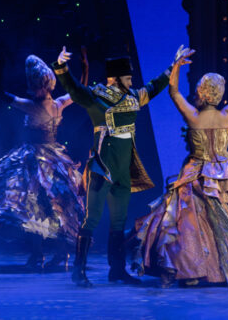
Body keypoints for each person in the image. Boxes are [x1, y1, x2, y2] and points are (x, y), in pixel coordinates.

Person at [133, 48, 228, 287]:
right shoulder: (227, 115)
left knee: (192, 222)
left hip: (197, 172)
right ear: (218, 95)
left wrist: (176, 66)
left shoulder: (194, 117)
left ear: (201, 92)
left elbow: (174, 91)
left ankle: (195, 270)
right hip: (225, 174)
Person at [53, 45, 178, 287]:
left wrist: (173, 66)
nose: (132, 82)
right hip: (102, 168)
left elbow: (154, 87)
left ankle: (117, 270)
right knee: (92, 218)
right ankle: (78, 271)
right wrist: (61, 67)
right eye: (128, 78)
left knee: (120, 221)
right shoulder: (96, 96)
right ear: (115, 78)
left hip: (123, 170)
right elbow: (74, 88)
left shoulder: (133, 98)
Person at [0, 54, 86, 269]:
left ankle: (41, 254)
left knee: (36, 208)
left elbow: (2, 95)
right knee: (49, 208)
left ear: (39, 85)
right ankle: (52, 253)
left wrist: (1, 68)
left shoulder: (32, 106)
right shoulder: (59, 103)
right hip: (53, 159)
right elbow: (79, 93)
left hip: (37, 161)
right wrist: (85, 67)